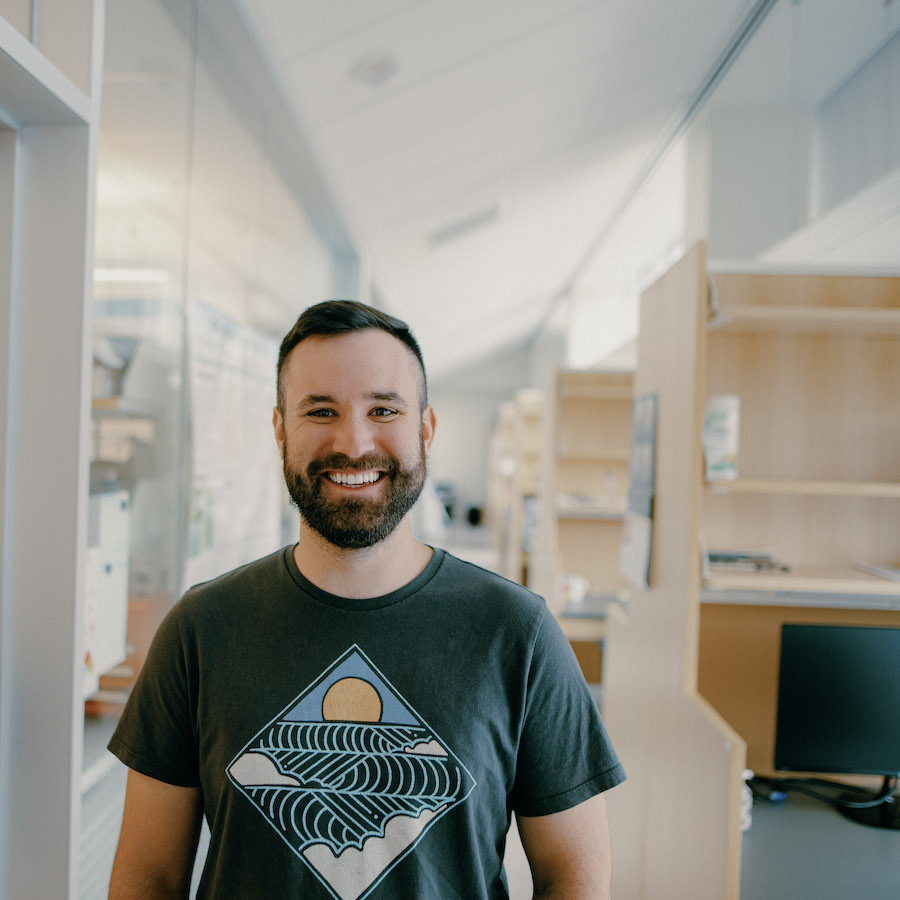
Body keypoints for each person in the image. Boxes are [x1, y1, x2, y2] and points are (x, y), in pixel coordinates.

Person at [107, 300, 625, 899]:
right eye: (321, 410)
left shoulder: (518, 634)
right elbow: (149, 877)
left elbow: (576, 880)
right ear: (280, 429)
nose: (353, 443)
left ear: (425, 429)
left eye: (384, 409)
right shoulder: (200, 629)